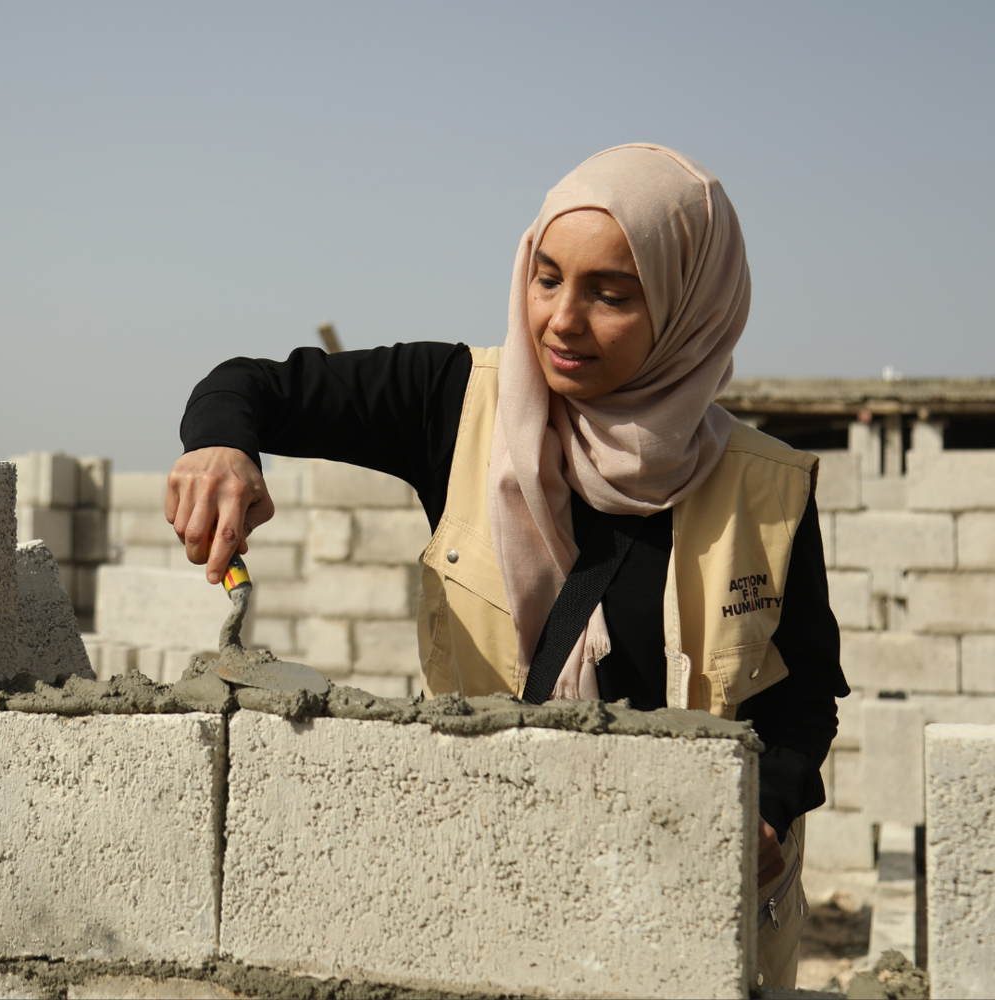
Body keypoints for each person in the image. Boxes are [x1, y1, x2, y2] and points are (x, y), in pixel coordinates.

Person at [164, 144, 847, 989]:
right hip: (496, 897)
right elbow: (249, 384)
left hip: (688, 920)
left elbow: (803, 697)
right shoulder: (455, 402)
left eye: (611, 294)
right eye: (547, 276)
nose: (560, 319)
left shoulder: (767, 489)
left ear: (687, 305)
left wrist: (770, 813)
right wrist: (221, 449)